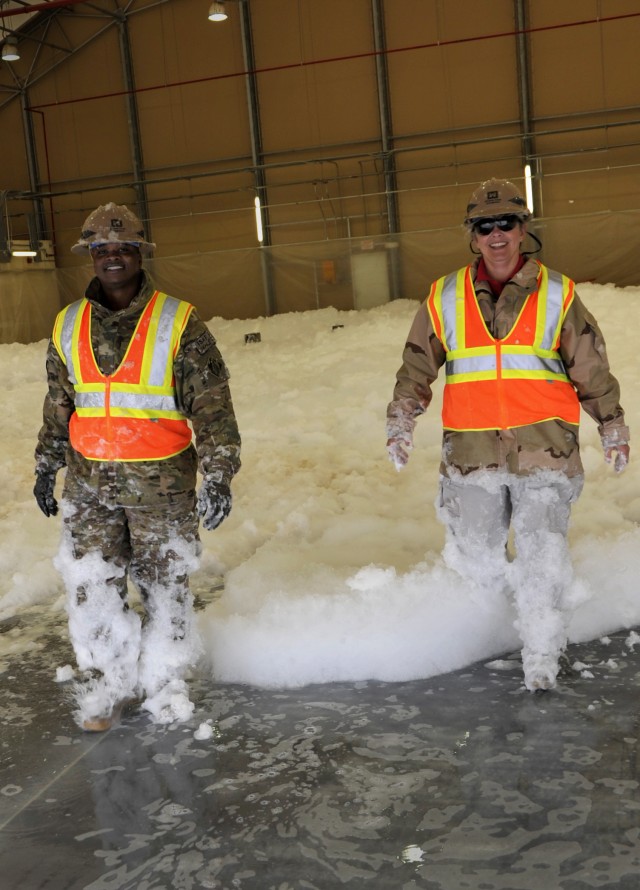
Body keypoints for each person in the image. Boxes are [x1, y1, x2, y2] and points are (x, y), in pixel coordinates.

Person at [386, 178, 630, 692]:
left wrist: (612, 422)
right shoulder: (444, 295)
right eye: (484, 226)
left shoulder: (559, 293)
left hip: (546, 451)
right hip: (471, 457)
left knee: (541, 555)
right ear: (472, 236)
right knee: (476, 556)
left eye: (508, 223)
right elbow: (416, 364)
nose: (497, 234)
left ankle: (541, 656)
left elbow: (589, 366)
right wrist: (402, 415)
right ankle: (494, 635)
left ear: (524, 230)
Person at [34, 202, 241, 730]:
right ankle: (108, 682)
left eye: (124, 248)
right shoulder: (68, 323)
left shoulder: (179, 322)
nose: (113, 258)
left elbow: (212, 407)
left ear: (140, 253)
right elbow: (60, 402)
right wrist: (45, 463)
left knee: (165, 584)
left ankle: (165, 683)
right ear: (90, 257)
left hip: (162, 489)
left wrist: (218, 474)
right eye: (102, 249)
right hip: (90, 486)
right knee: (91, 583)